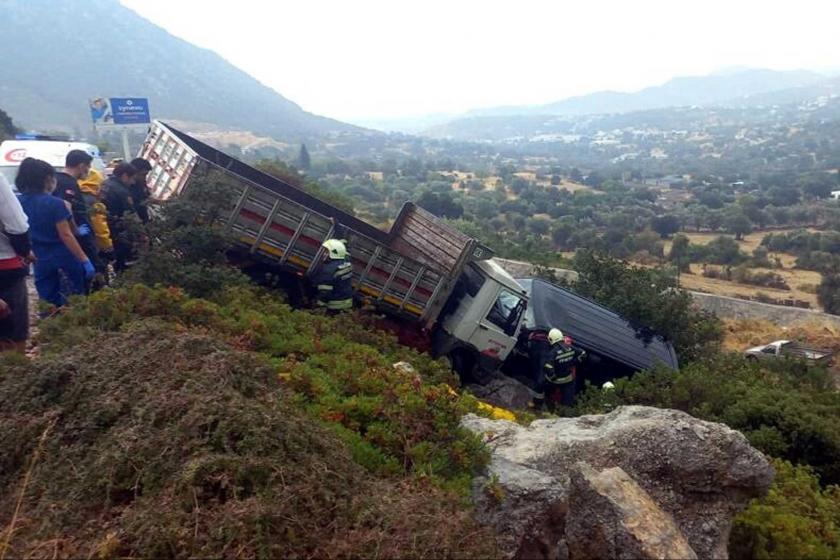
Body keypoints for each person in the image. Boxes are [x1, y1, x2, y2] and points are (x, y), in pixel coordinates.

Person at [16, 158, 95, 308]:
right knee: (74, 300)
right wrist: (84, 259)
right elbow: (66, 235)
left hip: (39, 258)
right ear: (47, 179)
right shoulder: (56, 204)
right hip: (64, 256)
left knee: (47, 301)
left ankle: (51, 328)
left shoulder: (17, 203)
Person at [55, 149, 101, 282]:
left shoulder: (57, 179)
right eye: (88, 166)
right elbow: (66, 206)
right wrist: (75, 230)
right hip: (77, 239)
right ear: (81, 165)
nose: (88, 170)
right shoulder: (68, 182)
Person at [0, 172, 33, 352]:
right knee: (13, 337)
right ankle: (15, 375)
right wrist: (25, 252)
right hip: (5, 268)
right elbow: (17, 225)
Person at [534, 328, 587, 409]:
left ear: (550, 339)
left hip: (555, 380)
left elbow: (548, 366)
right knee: (568, 399)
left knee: (539, 386)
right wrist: (574, 362)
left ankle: (537, 405)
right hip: (568, 379)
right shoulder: (571, 348)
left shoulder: (553, 352)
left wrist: (552, 377)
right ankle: (567, 412)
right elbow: (583, 353)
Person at [100, 162, 138, 272]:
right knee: (122, 261)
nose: (133, 182)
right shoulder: (121, 191)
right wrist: (142, 234)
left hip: (105, 229)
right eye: (132, 179)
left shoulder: (105, 184)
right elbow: (131, 214)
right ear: (125, 176)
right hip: (118, 230)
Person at [309, 238, 353, 314]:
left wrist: (318, 305)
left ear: (334, 254)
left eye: (327, 252)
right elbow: (344, 253)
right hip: (347, 301)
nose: (324, 254)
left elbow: (325, 293)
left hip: (336, 305)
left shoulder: (328, 271)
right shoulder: (345, 261)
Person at [129, 157, 152, 223]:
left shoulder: (141, 182)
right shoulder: (128, 187)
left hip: (144, 218)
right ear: (134, 172)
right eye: (143, 175)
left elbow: (147, 197)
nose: (145, 177)